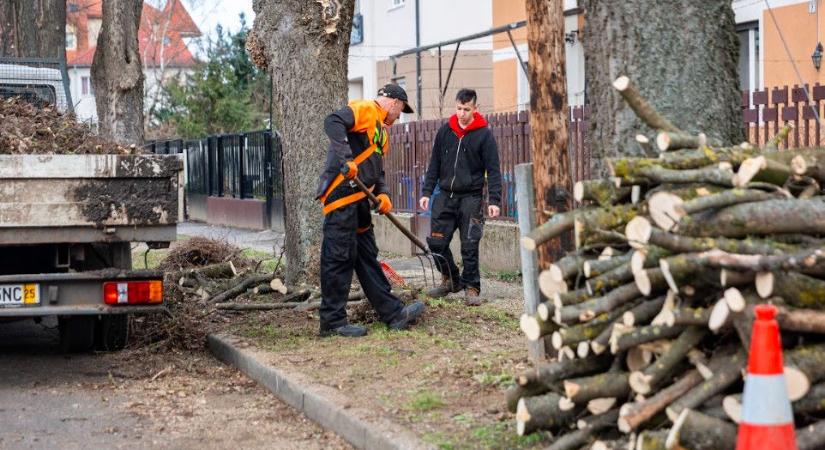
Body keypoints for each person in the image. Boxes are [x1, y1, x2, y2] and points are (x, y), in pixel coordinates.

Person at [316, 84, 426, 337]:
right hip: (341, 197)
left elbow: (377, 168)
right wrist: (346, 158)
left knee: (367, 257)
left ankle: (393, 313)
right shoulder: (366, 109)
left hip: (360, 202)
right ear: (394, 103)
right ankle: (332, 322)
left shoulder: (381, 133)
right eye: (400, 111)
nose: (398, 117)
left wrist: (383, 193)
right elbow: (332, 121)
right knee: (339, 257)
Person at [418, 88, 502, 306]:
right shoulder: (445, 131)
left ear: (475, 108)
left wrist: (494, 200)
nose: (462, 113)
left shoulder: (484, 135)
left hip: (471, 198)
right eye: (458, 108)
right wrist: (427, 192)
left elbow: (493, 170)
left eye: (466, 109)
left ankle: (472, 287)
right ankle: (451, 279)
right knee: (437, 242)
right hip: (445, 195)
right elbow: (434, 164)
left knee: (469, 244)